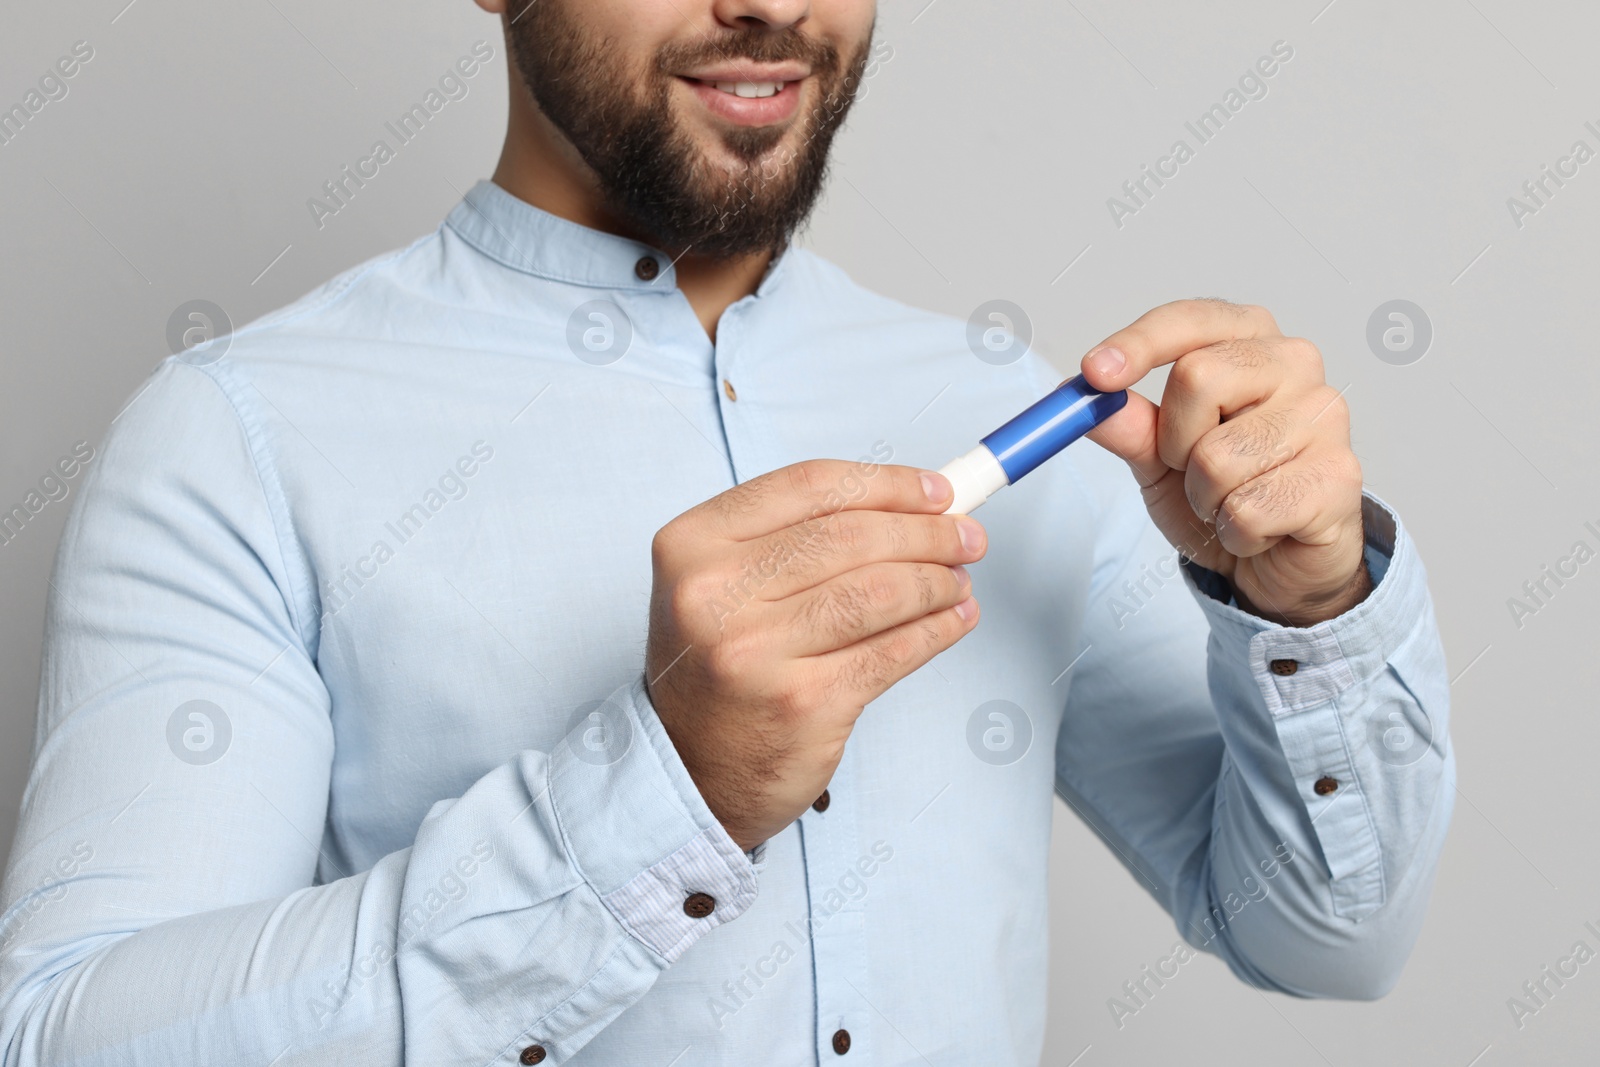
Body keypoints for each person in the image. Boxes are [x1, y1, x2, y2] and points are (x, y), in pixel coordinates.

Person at [0, 0, 1453, 1063]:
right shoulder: (238, 437)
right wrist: (664, 793)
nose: (767, 6)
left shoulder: (1018, 413)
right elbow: (70, 1036)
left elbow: (1328, 940)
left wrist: (1312, 612)